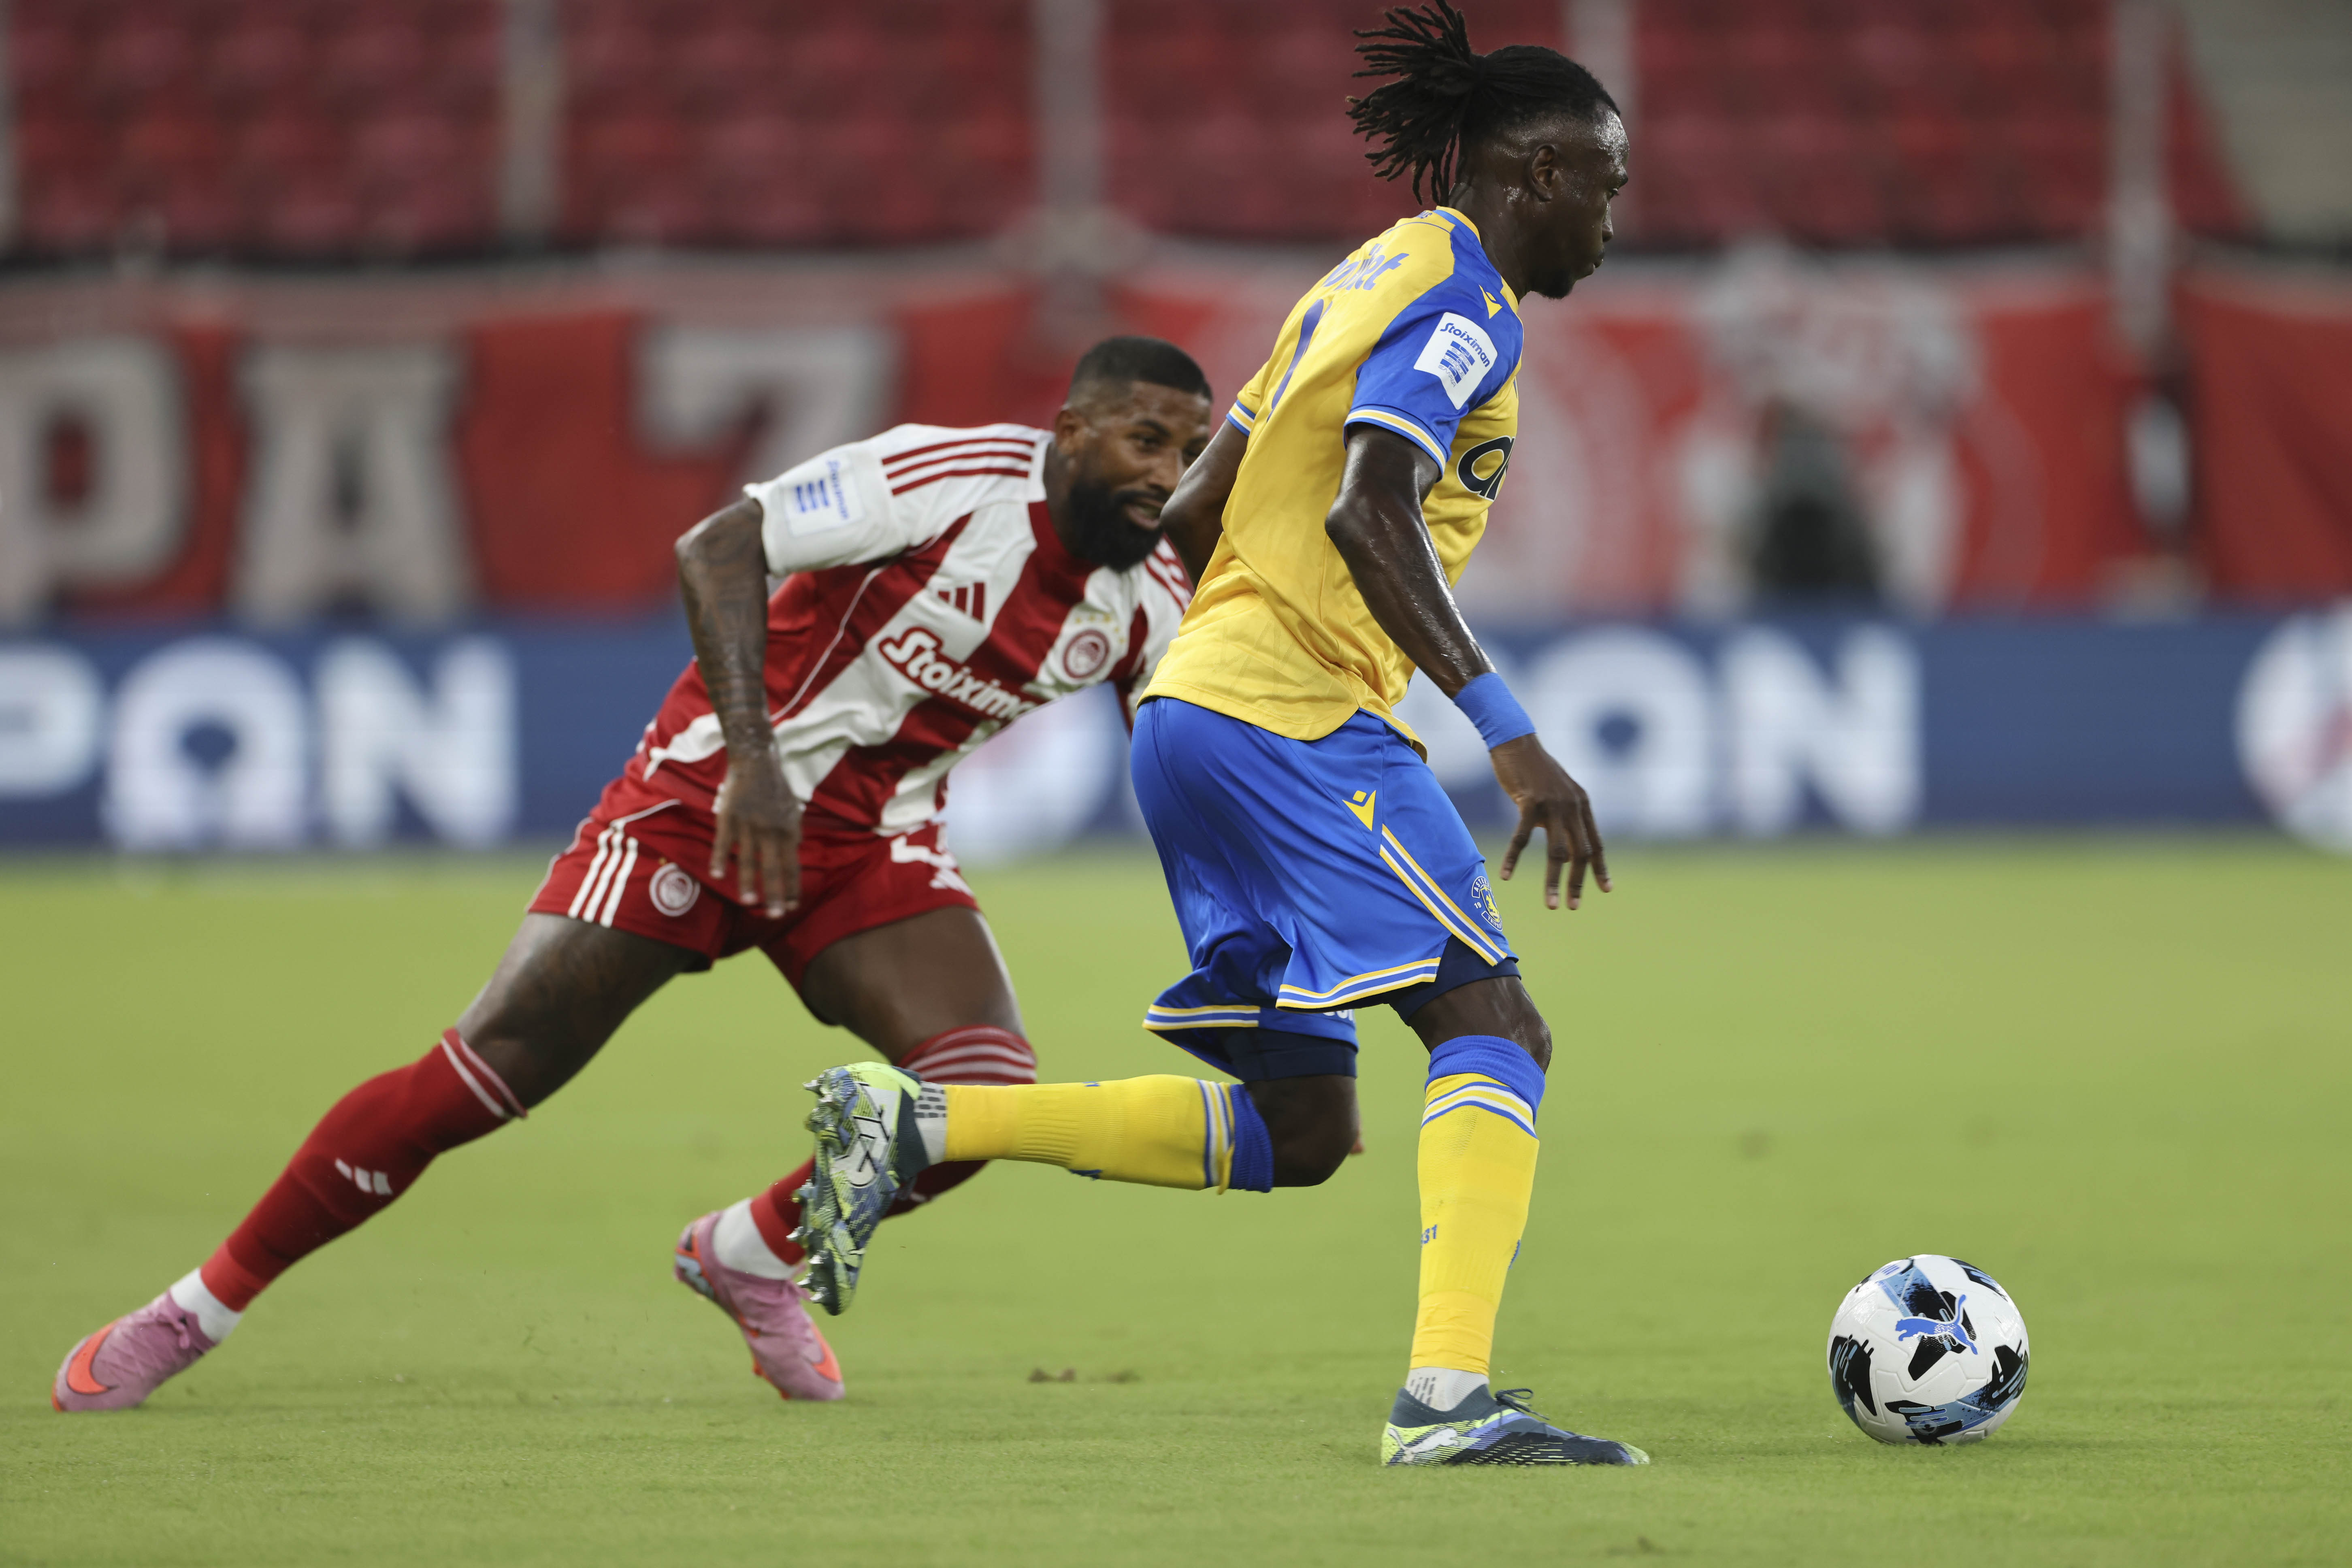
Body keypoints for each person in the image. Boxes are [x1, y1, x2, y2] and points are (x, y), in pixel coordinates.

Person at [779, 3, 1647, 1468]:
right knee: (1495, 1028)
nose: (1615, 225)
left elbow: (1191, 509)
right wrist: (1506, 731)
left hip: (1194, 715)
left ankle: (921, 1126)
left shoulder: (1364, 273)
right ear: (1542, 171)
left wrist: (1201, 665)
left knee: (1303, 1130)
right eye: (1609, 188)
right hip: (1295, 718)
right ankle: (1448, 1403)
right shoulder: (1467, 304)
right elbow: (1369, 508)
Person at [51, 337, 1214, 1413]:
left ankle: (751, 1253)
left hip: (869, 845)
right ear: (1072, 431)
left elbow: (1183, 753)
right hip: (704, 805)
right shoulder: (948, 480)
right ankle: (193, 1311)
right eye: (1146, 441)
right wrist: (754, 761)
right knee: (479, 1078)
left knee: (980, 1097)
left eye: (1190, 451)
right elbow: (717, 547)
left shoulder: (1154, 596)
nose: (1168, 475)